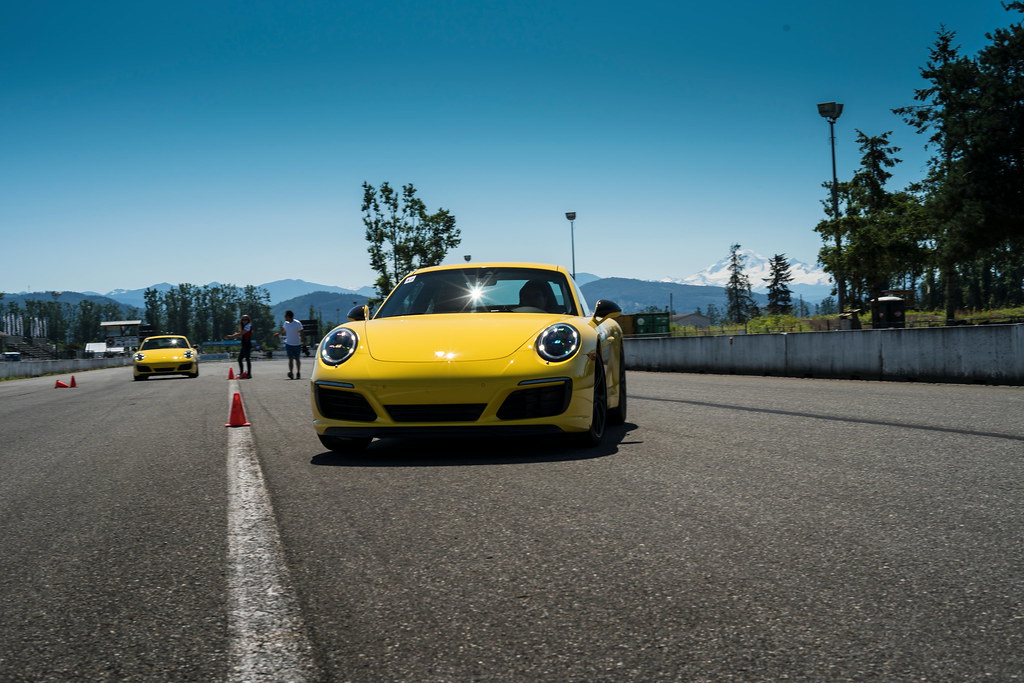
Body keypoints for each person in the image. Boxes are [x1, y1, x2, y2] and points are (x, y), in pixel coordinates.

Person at [278, 310, 305, 379]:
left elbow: (301, 332)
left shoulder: (297, 323)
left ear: (288, 316)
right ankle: (291, 372)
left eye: (285, 316)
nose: (284, 317)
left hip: (297, 344)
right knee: (290, 359)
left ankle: (298, 372)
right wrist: (278, 333)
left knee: (297, 359)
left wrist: (303, 341)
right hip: (289, 344)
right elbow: (283, 330)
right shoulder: (286, 323)